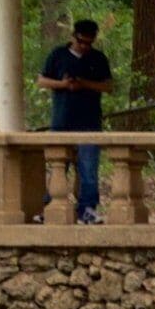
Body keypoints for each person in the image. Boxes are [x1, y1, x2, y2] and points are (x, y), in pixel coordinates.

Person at [41, 17, 114, 222]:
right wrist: (63, 85)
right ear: (73, 37)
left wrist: (85, 84)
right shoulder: (58, 55)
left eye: (89, 43)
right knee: (58, 166)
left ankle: (87, 209)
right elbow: (42, 80)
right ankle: (50, 207)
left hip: (89, 121)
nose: (84, 47)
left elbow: (108, 86)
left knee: (88, 168)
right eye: (81, 42)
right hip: (61, 120)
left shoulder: (98, 59)